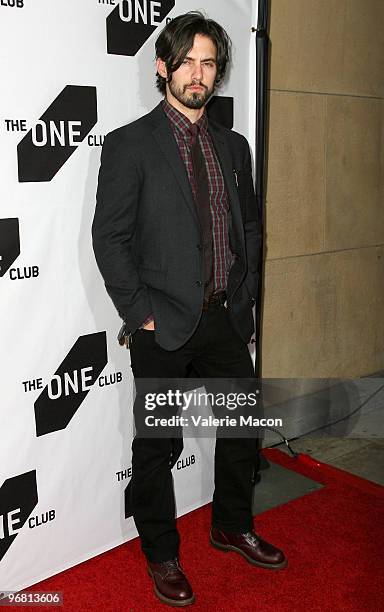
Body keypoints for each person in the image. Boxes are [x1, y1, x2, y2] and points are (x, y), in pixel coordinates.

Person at [92, 11, 287, 607]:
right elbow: (110, 236)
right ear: (163, 68)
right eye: (187, 63)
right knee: (156, 444)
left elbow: (248, 227)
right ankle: (161, 552)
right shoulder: (130, 144)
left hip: (224, 317)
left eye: (208, 63)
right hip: (163, 326)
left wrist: (245, 295)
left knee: (239, 428)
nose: (198, 74)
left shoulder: (233, 145)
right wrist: (140, 312)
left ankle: (231, 524)